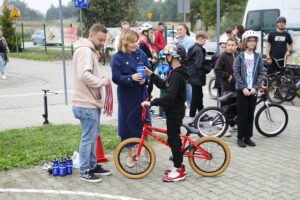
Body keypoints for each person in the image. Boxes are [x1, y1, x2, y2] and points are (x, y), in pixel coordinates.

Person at [141, 44, 189, 182]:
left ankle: (178, 170)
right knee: (173, 139)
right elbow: (164, 85)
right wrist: (152, 75)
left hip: (175, 112)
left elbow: (169, 97)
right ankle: (178, 165)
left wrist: (152, 102)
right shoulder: (175, 72)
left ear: (173, 57)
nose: (166, 58)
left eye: (167, 56)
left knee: (173, 139)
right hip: (174, 111)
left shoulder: (177, 75)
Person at [72, 24, 112, 183]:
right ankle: (85, 170)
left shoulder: (86, 50)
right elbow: (83, 75)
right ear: (91, 35)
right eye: (100, 39)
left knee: (93, 136)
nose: (102, 42)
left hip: (89, 102)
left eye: (104, 40)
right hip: (85, 103)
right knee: (88, 138)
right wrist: (101, 82)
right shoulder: (85, 51)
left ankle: (92, 165)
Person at [111, 29, 152, 167]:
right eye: (132, 42)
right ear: (125, 42)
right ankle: (130, 154)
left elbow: (149, 69)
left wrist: (144, 79)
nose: (136, 44)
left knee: (144, 123)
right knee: (128, 124)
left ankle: (147, 150)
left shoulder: (141, 54)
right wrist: (130, 78)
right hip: (127, 96)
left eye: (136, 41)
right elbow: (116, 78)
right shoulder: (117, 57)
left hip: (141, 94)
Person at [233, 30, 264, 148]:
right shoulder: (240, 56)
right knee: (242, 114)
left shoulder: (258, 57)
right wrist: (243, 87)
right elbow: (236, 72)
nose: (252, 43)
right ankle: (240, 137)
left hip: (253, 90)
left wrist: (256, 87)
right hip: (242, 90)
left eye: (254, 41)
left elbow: (261, 72)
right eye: (250, 41)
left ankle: (248, 137)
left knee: (250, 114)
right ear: (245, 42)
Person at [214, 37, 239, 137]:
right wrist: (227, 75)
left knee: (235, 107)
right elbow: (217, 69)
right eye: (228, 45)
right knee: (226, 108)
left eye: (232, 45)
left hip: (237, 86)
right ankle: (226, 127)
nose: (230, 47)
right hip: (227, 86)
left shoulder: (238, 55)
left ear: (237, 46)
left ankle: (233, 125)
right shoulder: (223, 56)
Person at [187, 32, 208, 125]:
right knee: (196, 98)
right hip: (197, 77)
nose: (206, 42)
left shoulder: (192, 48)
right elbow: (199, 64)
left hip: (192, 76)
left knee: (199, 96)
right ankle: (192, 118)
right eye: (205, 39)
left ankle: (202, 115)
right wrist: (208, 67)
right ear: (201, 38)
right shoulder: (199, 49)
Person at [176, 24, 195, 116]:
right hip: (177, 67)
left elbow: (188, 54)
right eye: (177, 30)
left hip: (187, 67)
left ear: (185, 30)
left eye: (181, 29)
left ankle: (190, 107)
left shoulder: (190, 41)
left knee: (188, 87)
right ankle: (180, 106)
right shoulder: (175, 40)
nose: (179, 31)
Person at [138, 23, 158, 105]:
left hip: (151, 70)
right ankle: (145, 109)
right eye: (150, 32)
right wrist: (150, 61)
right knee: (146, 90)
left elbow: (151, 54)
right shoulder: (141, 45)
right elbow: (141, 60)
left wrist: (154, 56)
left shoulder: (149, 43)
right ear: (145, 32)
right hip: (146, 72)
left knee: (150, 89)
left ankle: (148, 107)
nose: (152, 34)